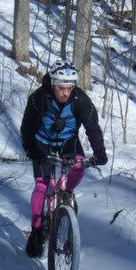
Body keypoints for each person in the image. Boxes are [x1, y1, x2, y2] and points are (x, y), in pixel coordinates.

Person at [21, 59, 107, 257]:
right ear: (53, 84)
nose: (65, 93)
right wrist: (31, 149)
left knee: (78, 168)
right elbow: (27, 127)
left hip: (68, 141)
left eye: (69, 88)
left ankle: (66, 194)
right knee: (41, 186)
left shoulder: (80, 100)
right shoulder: (38, 98)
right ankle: (36, 232)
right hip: (42, 142)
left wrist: (99, 152)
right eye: (61, 88)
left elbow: (93, 127)